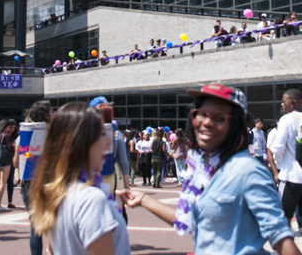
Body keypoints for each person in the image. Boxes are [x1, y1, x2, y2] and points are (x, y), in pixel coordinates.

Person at [118, 83, 298, 255]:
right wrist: (144, 199)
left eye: (219, 118)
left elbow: (281, 240)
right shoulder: (207, 169)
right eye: (201, 114)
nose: (206, 122)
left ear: (235, 126)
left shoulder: (248, 171)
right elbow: (191, 221)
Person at [29, 102, 130, 255]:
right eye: (103, 133)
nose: (109, 142)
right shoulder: (91, 200)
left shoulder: (59, 191)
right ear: (82, 142)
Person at [13, 101, 53, 255]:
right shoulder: (52, 134)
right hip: (48, 182)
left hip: (28, 183)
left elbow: (16, 162)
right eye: (51, 111)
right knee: (53, 224)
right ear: (46, 115)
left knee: (35, 227)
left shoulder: (24, 134)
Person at [270, 88, 302, 225]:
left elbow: (277, 148)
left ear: (293, 102)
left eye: (284, 101)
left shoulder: (286, 119)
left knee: (283, 217)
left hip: (292, 176)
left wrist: (281, 165)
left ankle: (285, 245)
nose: (282, 104)